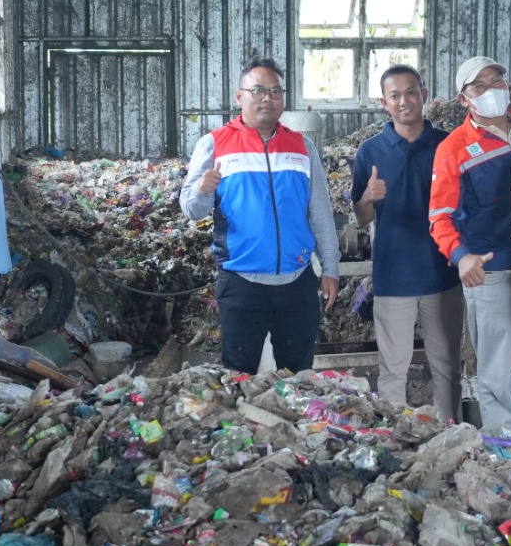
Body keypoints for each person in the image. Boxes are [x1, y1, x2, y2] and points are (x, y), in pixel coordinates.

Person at [180, 59, 340, 373]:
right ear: (239, 96)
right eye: (258, 90)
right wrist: (202, 188)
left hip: (297, 282)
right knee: (239, 376)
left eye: (275, 91)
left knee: (299, 377)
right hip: (241, 283)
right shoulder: (214, 144)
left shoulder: (302, 147)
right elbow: (191, 209)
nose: (267, 98)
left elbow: (320, 213)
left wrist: (331, 268)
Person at [428, 56, 511, 452]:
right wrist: (461, 256)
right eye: (478, 86)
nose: (491, 90)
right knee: (497, 376)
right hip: (492, 272)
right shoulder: (453, 148)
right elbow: (440, 217)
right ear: (464, 99)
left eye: (496, 80)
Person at [350, 64, 463, 422]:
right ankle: (395, 439)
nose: (404, 101)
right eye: (395, 95)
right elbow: (362, 217)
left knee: (447, 368)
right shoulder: (370, 151)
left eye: (411, 92)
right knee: (393, 371)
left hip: (442, 274)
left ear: (424, 95)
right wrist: (367, 196)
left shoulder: (449, 144)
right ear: (384, 103)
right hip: (393, 277)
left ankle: (452, 437)